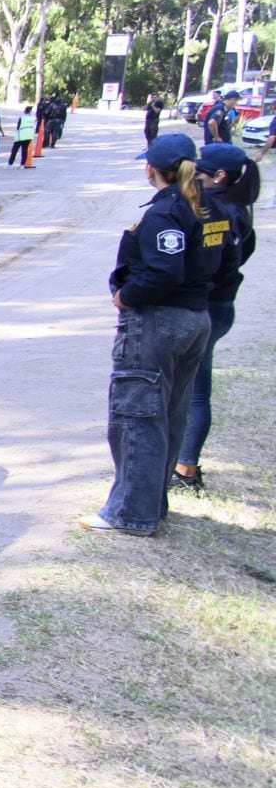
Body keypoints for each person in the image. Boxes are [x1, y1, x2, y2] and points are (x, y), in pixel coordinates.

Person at [80, 133, 224, 535]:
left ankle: (130, 513)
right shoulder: (210, 206)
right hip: (195, 317)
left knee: (138, 416)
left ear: (152, 170)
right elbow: (231, 258)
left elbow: (164, 271)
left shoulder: (165, 213)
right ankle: (151, 505)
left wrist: (126, 295)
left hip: (159, 321)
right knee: (170, 414)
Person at [174, 143, 255, 493]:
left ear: (219, 176)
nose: (196, 175)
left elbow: (219, 264)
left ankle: (185, 469)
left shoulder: (225, 212)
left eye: (202, 171)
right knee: (192, 390)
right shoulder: (235, 207)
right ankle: (183, 464)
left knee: (194, 393)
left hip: (210, 306)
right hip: (218, 305)